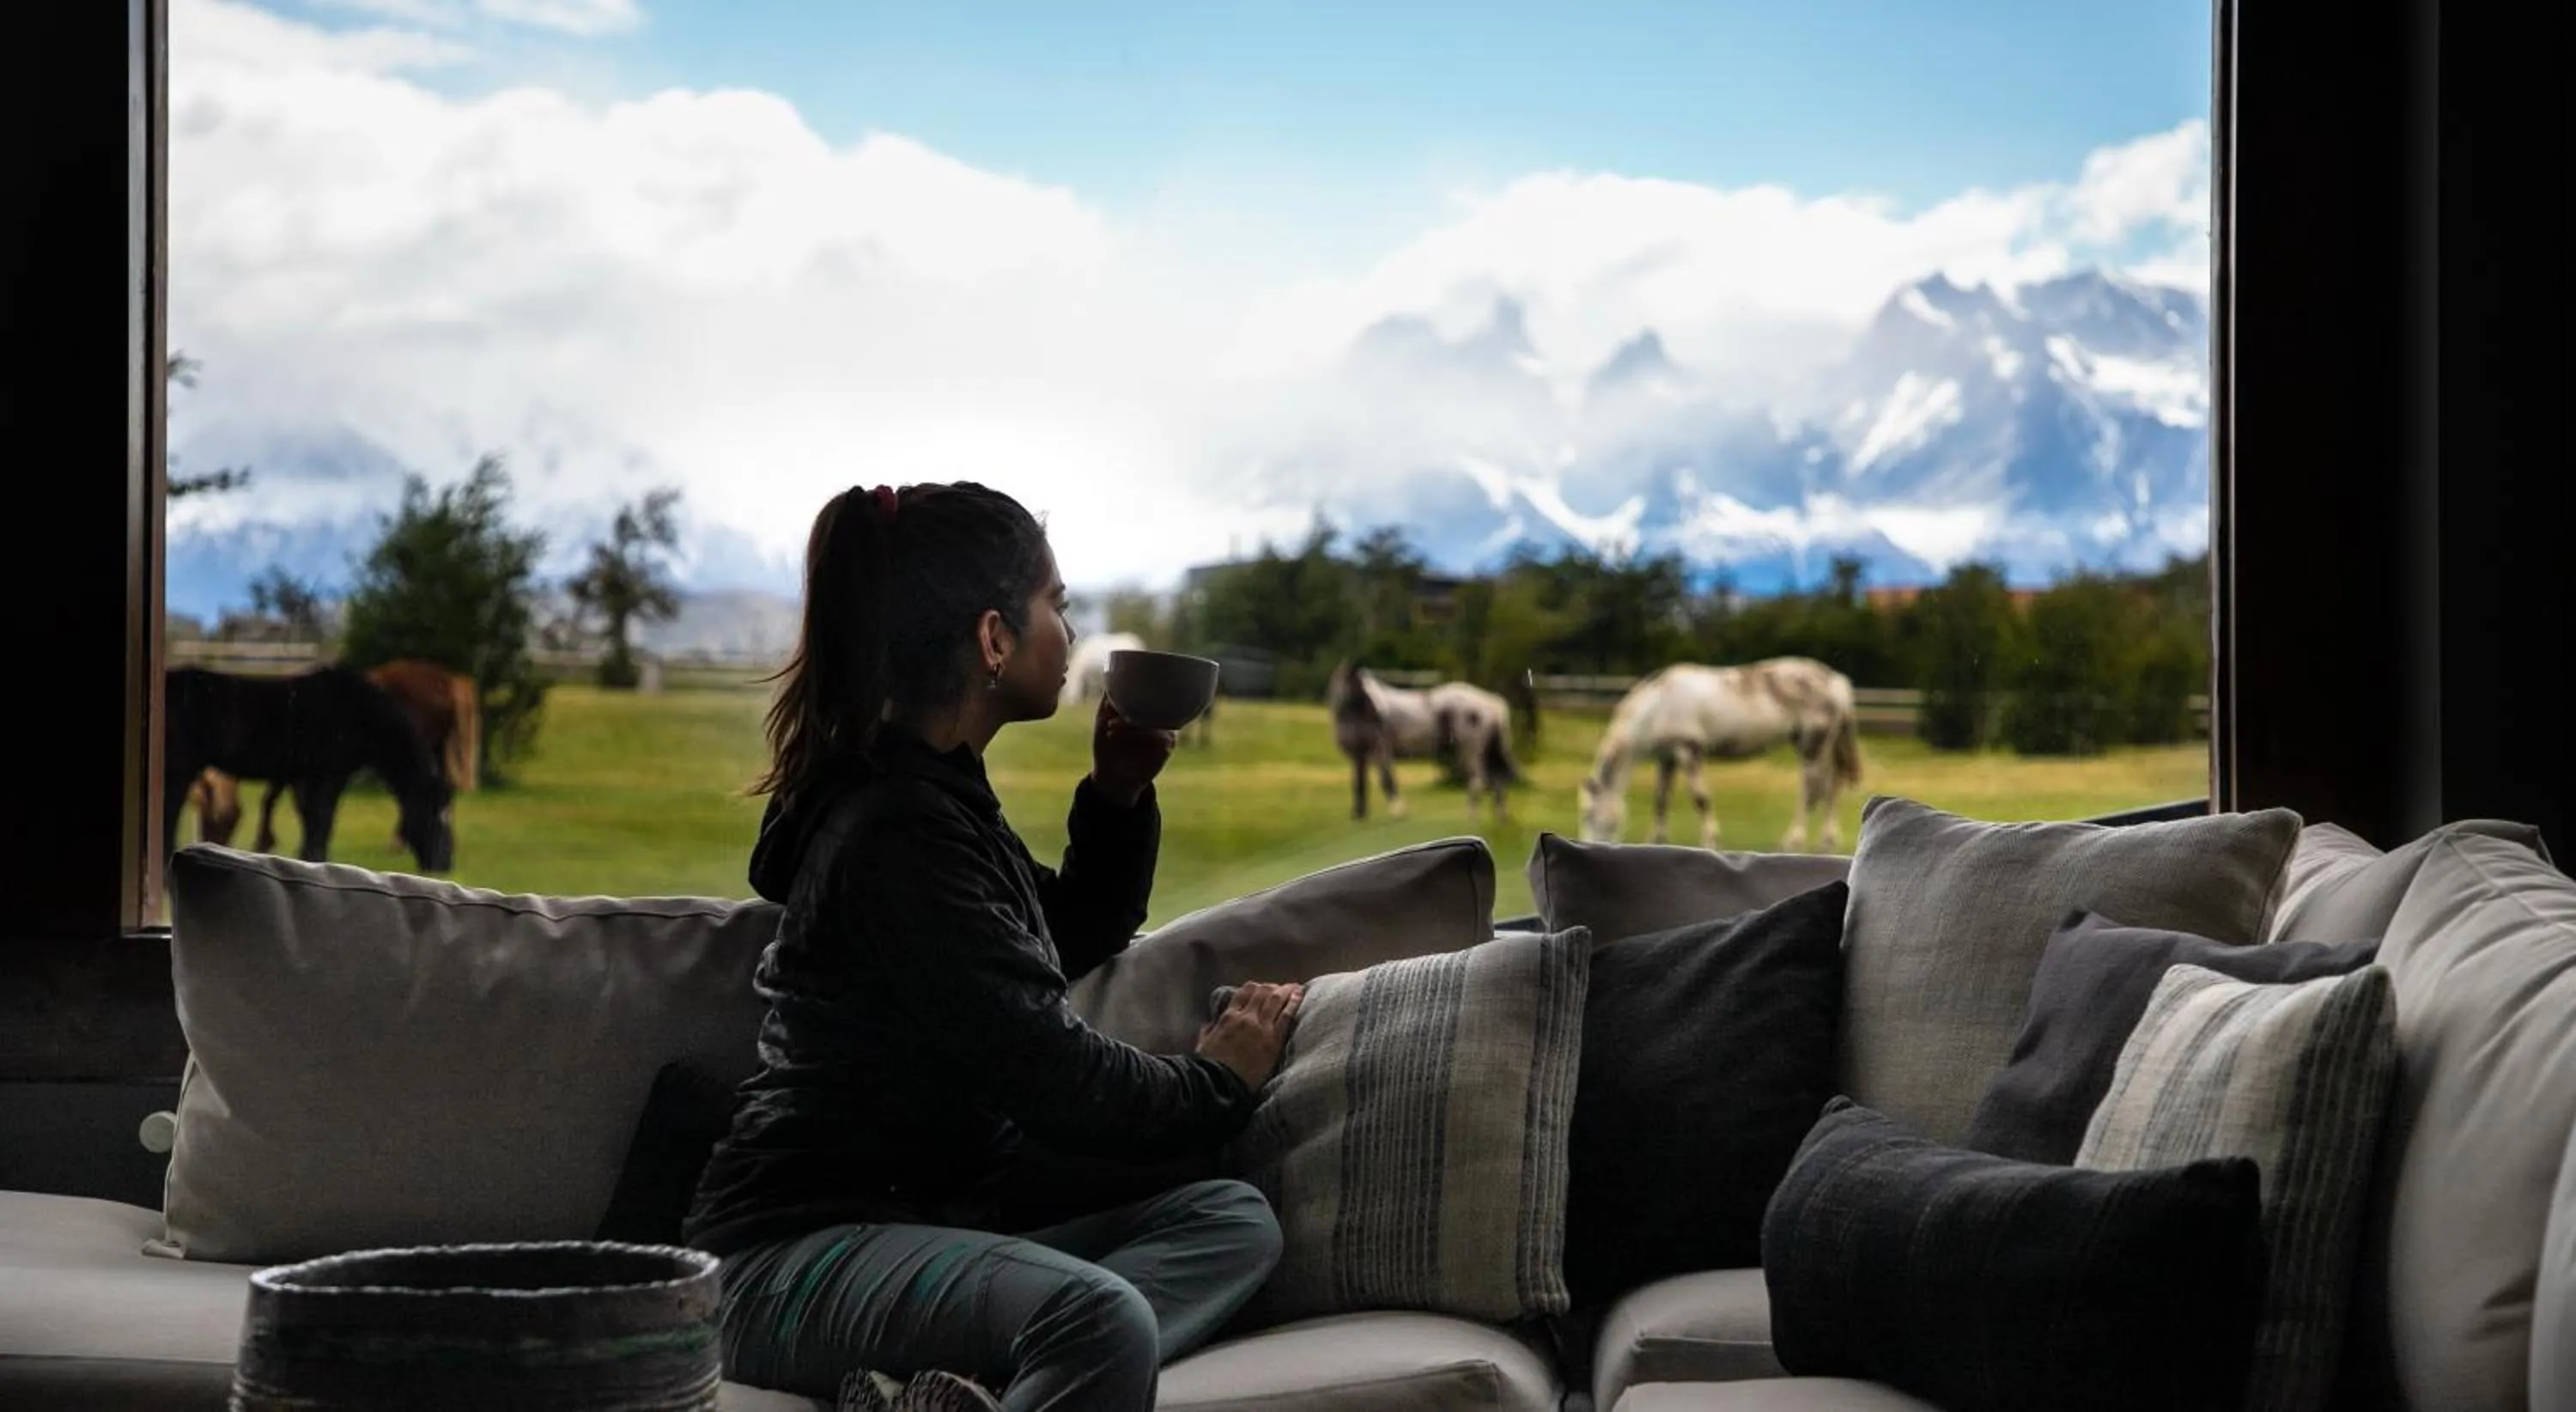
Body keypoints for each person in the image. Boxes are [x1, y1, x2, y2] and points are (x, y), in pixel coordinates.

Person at [684, 481, 1303, 1412]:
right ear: (993, 638)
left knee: (1231, 1221)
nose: (1070, 630)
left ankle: (951, 1390)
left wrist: (1118, 794)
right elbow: (1060, 1080)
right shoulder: (898, 833)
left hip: (921, 1233)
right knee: (1101, 1320)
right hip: (790, 1263)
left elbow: (1062, 935)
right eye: (1057, 604)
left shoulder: (936, 799)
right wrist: (1219, 1080)